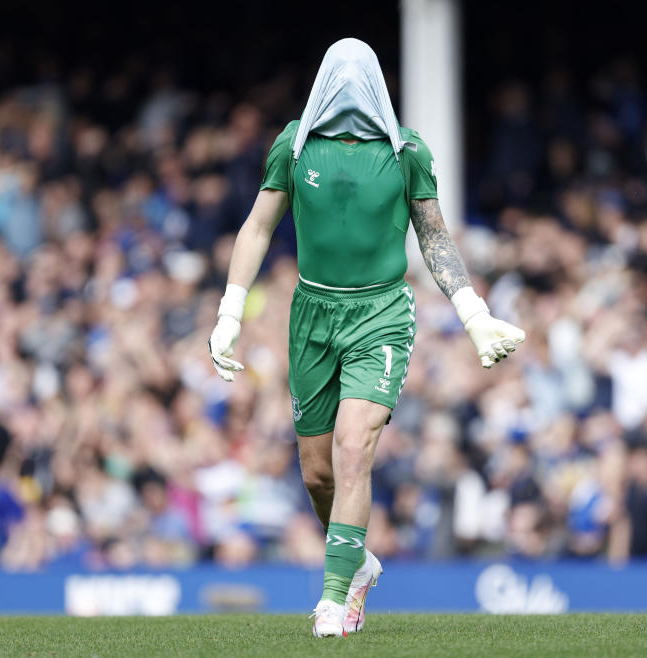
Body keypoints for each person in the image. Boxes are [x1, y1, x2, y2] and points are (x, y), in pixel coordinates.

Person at [207, 38, 526, 637]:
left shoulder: (407, 152)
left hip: (380, 314)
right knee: (315, 472)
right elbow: (256, 227)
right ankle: (357, 560)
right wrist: (230, 312)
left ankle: (334, 597)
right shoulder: (294, 146)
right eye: (339, 74)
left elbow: (434, 237)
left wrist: (474, 314)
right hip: (310, 315)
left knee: (354, 449)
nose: (350, 84)